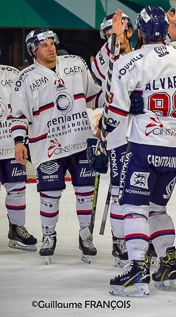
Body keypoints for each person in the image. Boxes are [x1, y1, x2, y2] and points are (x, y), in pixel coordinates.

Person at [106, 3, 176, 297]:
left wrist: (105, 138)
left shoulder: (130, 62)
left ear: (139, 31)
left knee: (133, 206)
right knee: (157, 208)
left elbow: (115, 113)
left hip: (145, 146)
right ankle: (167, 262)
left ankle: (137, 269)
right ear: (165, 30)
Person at [10, 28, 103, 264]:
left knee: (85, 191)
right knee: (49, 194)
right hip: (48, 147)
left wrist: (113, 99)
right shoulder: (26, 78)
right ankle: (49, 235)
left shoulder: (75, 64)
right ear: (33, 50)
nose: (50, 47)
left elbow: (94, 97)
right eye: (44, 45)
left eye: (52, 43)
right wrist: (19, 141)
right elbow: (18, 115)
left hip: (81, 141)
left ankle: (85, 236)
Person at [89, 9, 134, 267]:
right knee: (119, 189)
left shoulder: (142, 54)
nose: (114, 35)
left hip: (142, 131)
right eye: (108, 33)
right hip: (118, 132)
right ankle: (120, 241)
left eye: (118, 30)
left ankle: (138, 237)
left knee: (139, 189)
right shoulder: (106, 56)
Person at [0, 63, 38, 251]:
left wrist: (22, 140)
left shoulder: (12, 74)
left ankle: (16, 229)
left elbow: (25, 105)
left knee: (17, 189)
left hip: (10, 145)